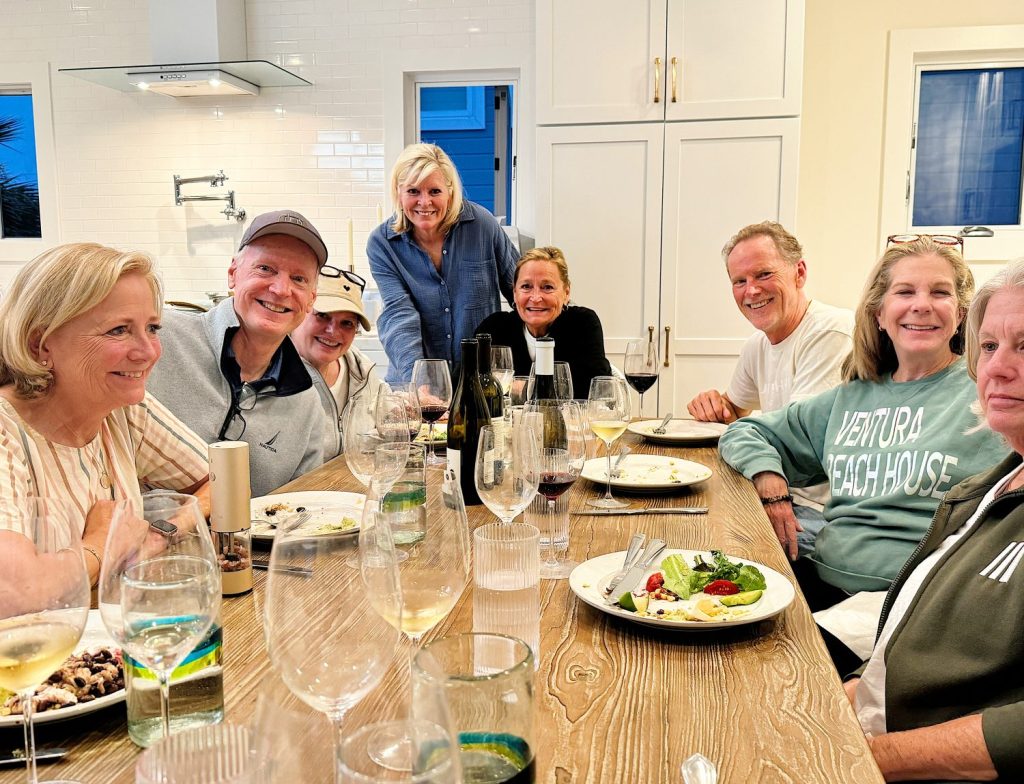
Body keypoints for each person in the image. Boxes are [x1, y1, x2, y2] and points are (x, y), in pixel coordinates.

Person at [719, 236, 1008, 604]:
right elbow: (747, 431)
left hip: (911, 600)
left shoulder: (986, 393)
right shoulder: (853, 395)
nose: (921, 306)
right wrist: (768, 476)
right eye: (905, 292)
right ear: (879, 314)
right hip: (819, 580)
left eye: (940, 292)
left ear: (962, 313)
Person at [846, 259, 1024, 782]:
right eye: (989, 346)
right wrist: (825, 704)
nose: (998, 368)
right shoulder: (980, 491)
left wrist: (863, 758)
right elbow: (906, 644)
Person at [0, 242, 210, 588]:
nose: (148, 352)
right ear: (40, 345)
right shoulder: (8, 432)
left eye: (152, 328)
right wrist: (103, 543)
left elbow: (221, 481)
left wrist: (159, 534)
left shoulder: (123, 408)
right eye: (119, 330)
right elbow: (13, 595)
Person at [688, 222, 854, 552]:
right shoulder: (757, 345)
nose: (751, 290)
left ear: (799, 273)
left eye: (763, 274)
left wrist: (750, 447)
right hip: (777, 494)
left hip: (825, 513)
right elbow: (733, 412)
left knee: (710, 543)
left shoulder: (831, 332)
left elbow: (798, 440)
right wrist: (713, 403)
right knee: (685, 522)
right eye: (740, 281)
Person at [147, 210, 327, 496]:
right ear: (233, 274)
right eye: (265, 269)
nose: (281, 289)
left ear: (311, 301)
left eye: (299, 279)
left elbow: (302, 509)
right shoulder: (158, 341)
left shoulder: (306, 404)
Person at [368, 143, 519, 383]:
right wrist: (419, 383)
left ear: (450, 190)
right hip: (415, 382)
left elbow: (523, 293)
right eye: (413, 191)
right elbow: (399, 313)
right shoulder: (382, 244)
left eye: (435, 191)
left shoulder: (482, 225)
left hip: (478, 383)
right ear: (398, 192)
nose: (424, 202)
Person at [475, 246, 612, 398]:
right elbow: (467, 384)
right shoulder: (494, 328)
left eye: (547, 287)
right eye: (526, 286)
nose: (535, 297)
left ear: (566, 293)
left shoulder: (583, 324)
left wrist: (517, 387)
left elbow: (594, 390)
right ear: (514, 292)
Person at [293, 265, 384, 460]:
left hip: (351, 485)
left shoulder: (362, 370)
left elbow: (389, 416)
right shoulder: (269, 372)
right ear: (302, 312)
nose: (333, 332)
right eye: (323, 316)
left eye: (347, 323)